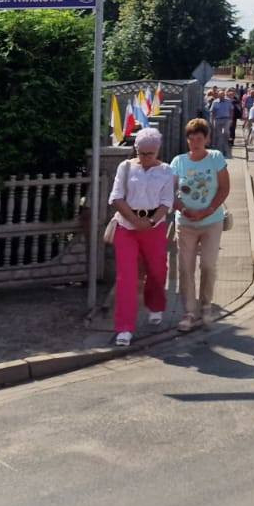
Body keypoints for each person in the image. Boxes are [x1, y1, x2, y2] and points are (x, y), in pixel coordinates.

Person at [106, 126, 176, 347]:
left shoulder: (166, 171)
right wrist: (134, 220)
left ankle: (155, 305)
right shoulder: (125, 167)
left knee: (157, 269)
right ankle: (124, 328)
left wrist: (151, 222)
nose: (145, 158)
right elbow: (116, 197)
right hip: (126, 226)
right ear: (136, 149)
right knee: (126, 277)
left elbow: (166, 202)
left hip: (154, 226)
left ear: (158, 151)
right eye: (141, 153)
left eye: (150, 154)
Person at [172, 117, 231, 332]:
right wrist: (183, 209)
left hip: (211, 221)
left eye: (199, 138)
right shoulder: (178, 161)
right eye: (191, 138)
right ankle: (189, 311)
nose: (195, 142)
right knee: (185, 267)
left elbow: (224, 188)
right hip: (185, 222)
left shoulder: (215, 158)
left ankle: (206, 304)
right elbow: (169, 192)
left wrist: (208, 210)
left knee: (208, 264)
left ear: (207, 139)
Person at [208, 88, 235, 155]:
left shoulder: (228, 101)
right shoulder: (215, 102)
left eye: (222, 95)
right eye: (220, 95)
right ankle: (220, 149)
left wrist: (231, 119)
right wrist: (212, 120)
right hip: (218, 119)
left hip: (226, 119)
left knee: (226, 132)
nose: (221, 97)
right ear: (218, 96)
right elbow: (212, 111)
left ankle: (226, 143)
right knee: (219, 135)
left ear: (224, 95)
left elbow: (231, 110)